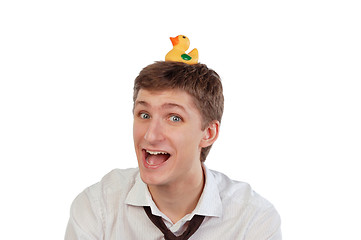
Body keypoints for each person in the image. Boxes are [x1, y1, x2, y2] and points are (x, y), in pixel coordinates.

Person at [65, 61, 282, 240]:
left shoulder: (253, 220)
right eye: (144, 114)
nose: (150, 135)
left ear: (208, 133)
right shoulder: (97, 208)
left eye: (174, 118)